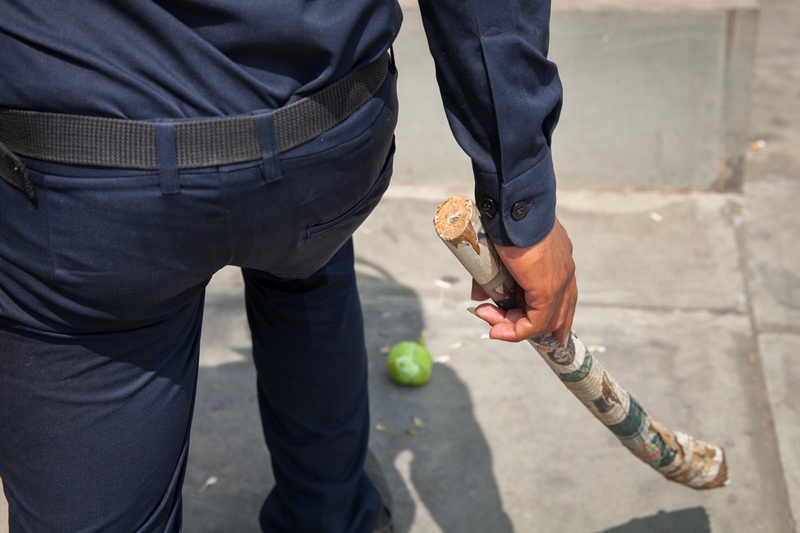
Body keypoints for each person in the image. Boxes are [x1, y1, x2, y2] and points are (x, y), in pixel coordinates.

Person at [0, 0, 576, 531]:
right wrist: (519, 195)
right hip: (323, 139)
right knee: (306, 261)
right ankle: (330, 513)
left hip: (86, 180)